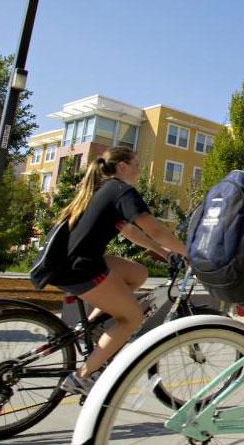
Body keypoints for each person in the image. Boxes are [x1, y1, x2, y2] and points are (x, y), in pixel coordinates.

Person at [49, 147, 189, 395]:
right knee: (132, 318)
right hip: (79, 267)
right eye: (136, 166)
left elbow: (131, 232)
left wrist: (165, 253)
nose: (139, 171)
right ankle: (83, 377)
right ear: (122, 167)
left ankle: (94, 325)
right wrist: (190, 253)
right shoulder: (122, 191)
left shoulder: (105, 189)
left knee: (138, 274)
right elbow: (155, 230)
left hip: (70, 261)